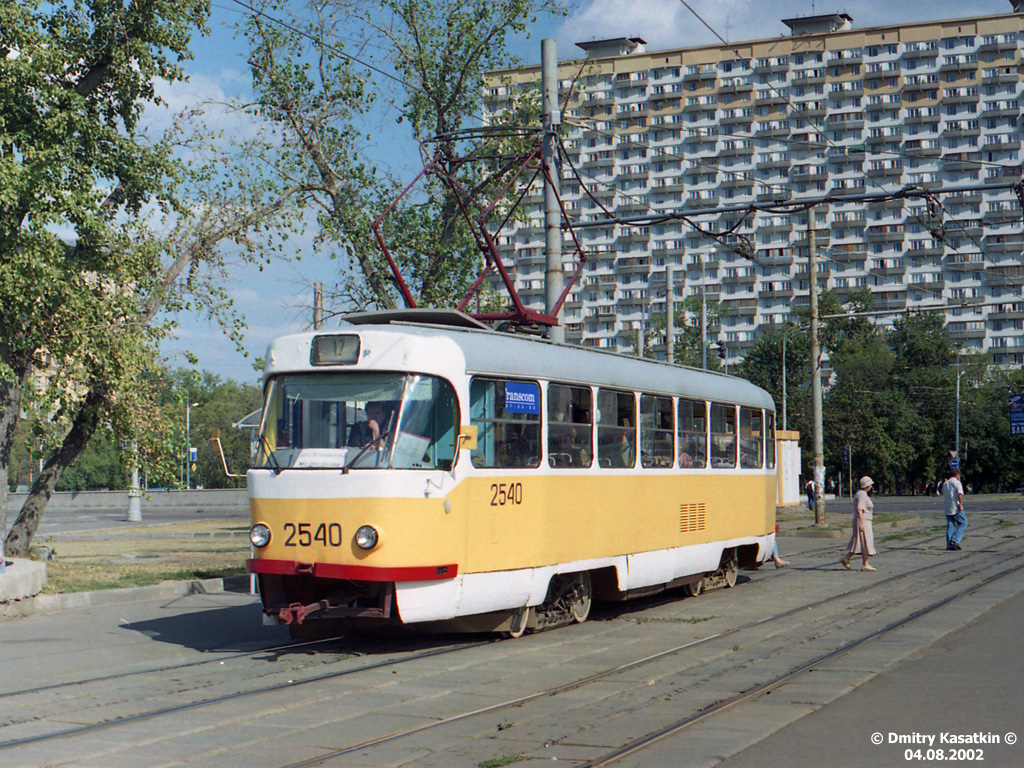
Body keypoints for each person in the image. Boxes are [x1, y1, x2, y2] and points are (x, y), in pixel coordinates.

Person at [841, 476, 877, 572]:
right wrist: (861, 523)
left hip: (865, 520)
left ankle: (847, 558)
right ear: (868, 485)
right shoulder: (862, 495)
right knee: (864, 542)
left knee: (861, 542)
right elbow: (859, 509)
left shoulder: (862, 494)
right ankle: (865, 564)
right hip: (863, 520)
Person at [943, 468, 966, 550]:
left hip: (947, 506)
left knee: (950, 525)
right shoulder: (957, 482)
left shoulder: (946, 483)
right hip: (955, 506)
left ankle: (949, 545)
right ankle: (955, 540)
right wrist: (960, 504)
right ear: (957, 474)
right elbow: (960, 494)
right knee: (963, 523)